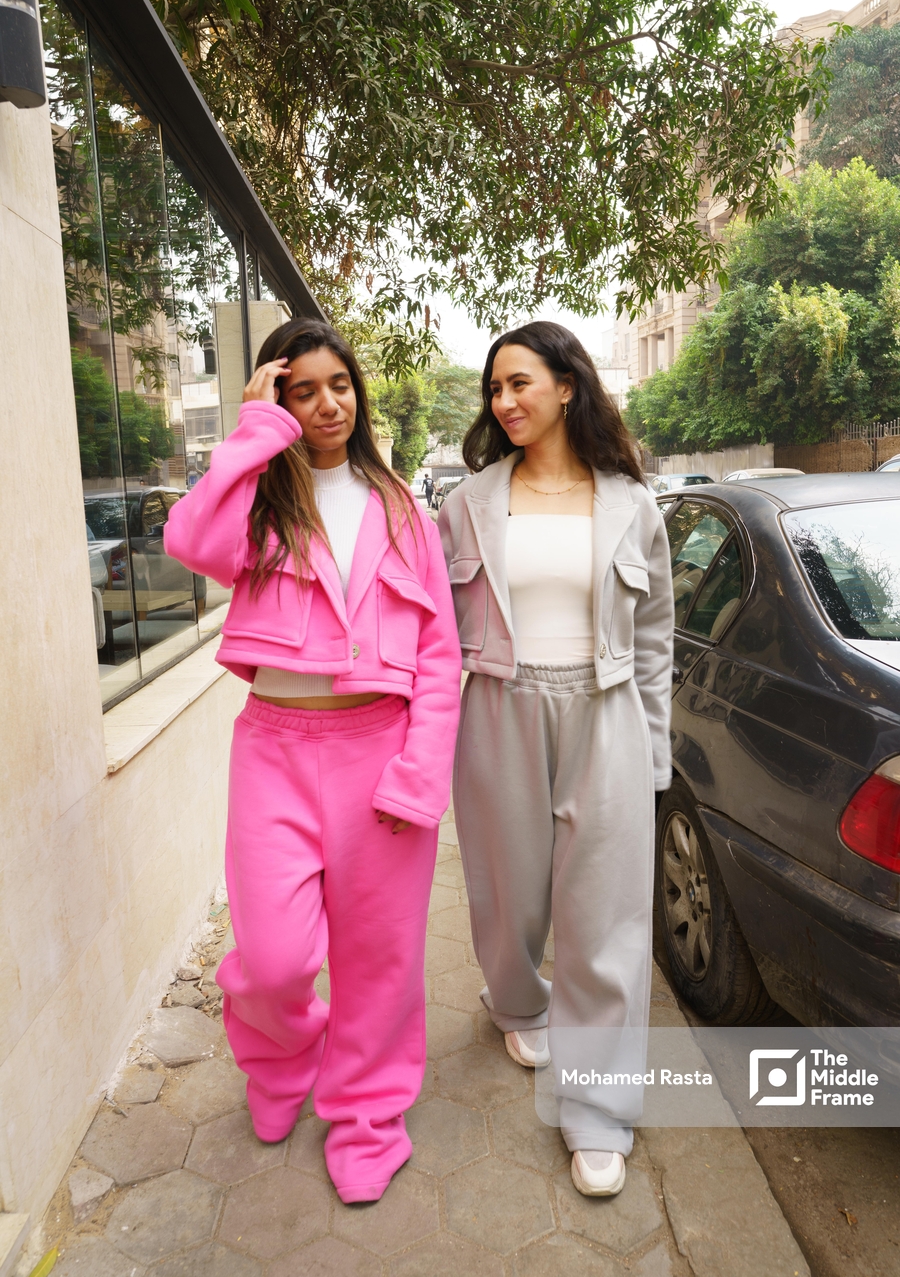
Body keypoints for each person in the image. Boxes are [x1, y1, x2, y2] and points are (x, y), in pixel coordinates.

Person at [164, 318, 461, 1204]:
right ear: (280, 400)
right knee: (277, 955)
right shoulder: (256, 502)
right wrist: (252, 436)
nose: (328, 402)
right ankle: (283, 1051)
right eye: (304, 389)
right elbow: (188, 540)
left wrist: (421, 770)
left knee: (380, 956)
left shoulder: (404, 508)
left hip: (378, 746)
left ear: (358, 393)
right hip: (275, 748)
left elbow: (441, 655)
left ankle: (369, 1112)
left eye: (340, 384)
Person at [438, 321, 673, 1198]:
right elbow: (434, 627)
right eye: (494, 389)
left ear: (567, 385)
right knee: (510, 887)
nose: (504, 403)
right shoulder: (466, 503)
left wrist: (654, 752)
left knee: (605, 909)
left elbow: (654, 639)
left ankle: (600, 1107)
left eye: (520, 382)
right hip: (497, 705)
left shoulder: (630, 503)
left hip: (605, 708)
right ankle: (515, 999)